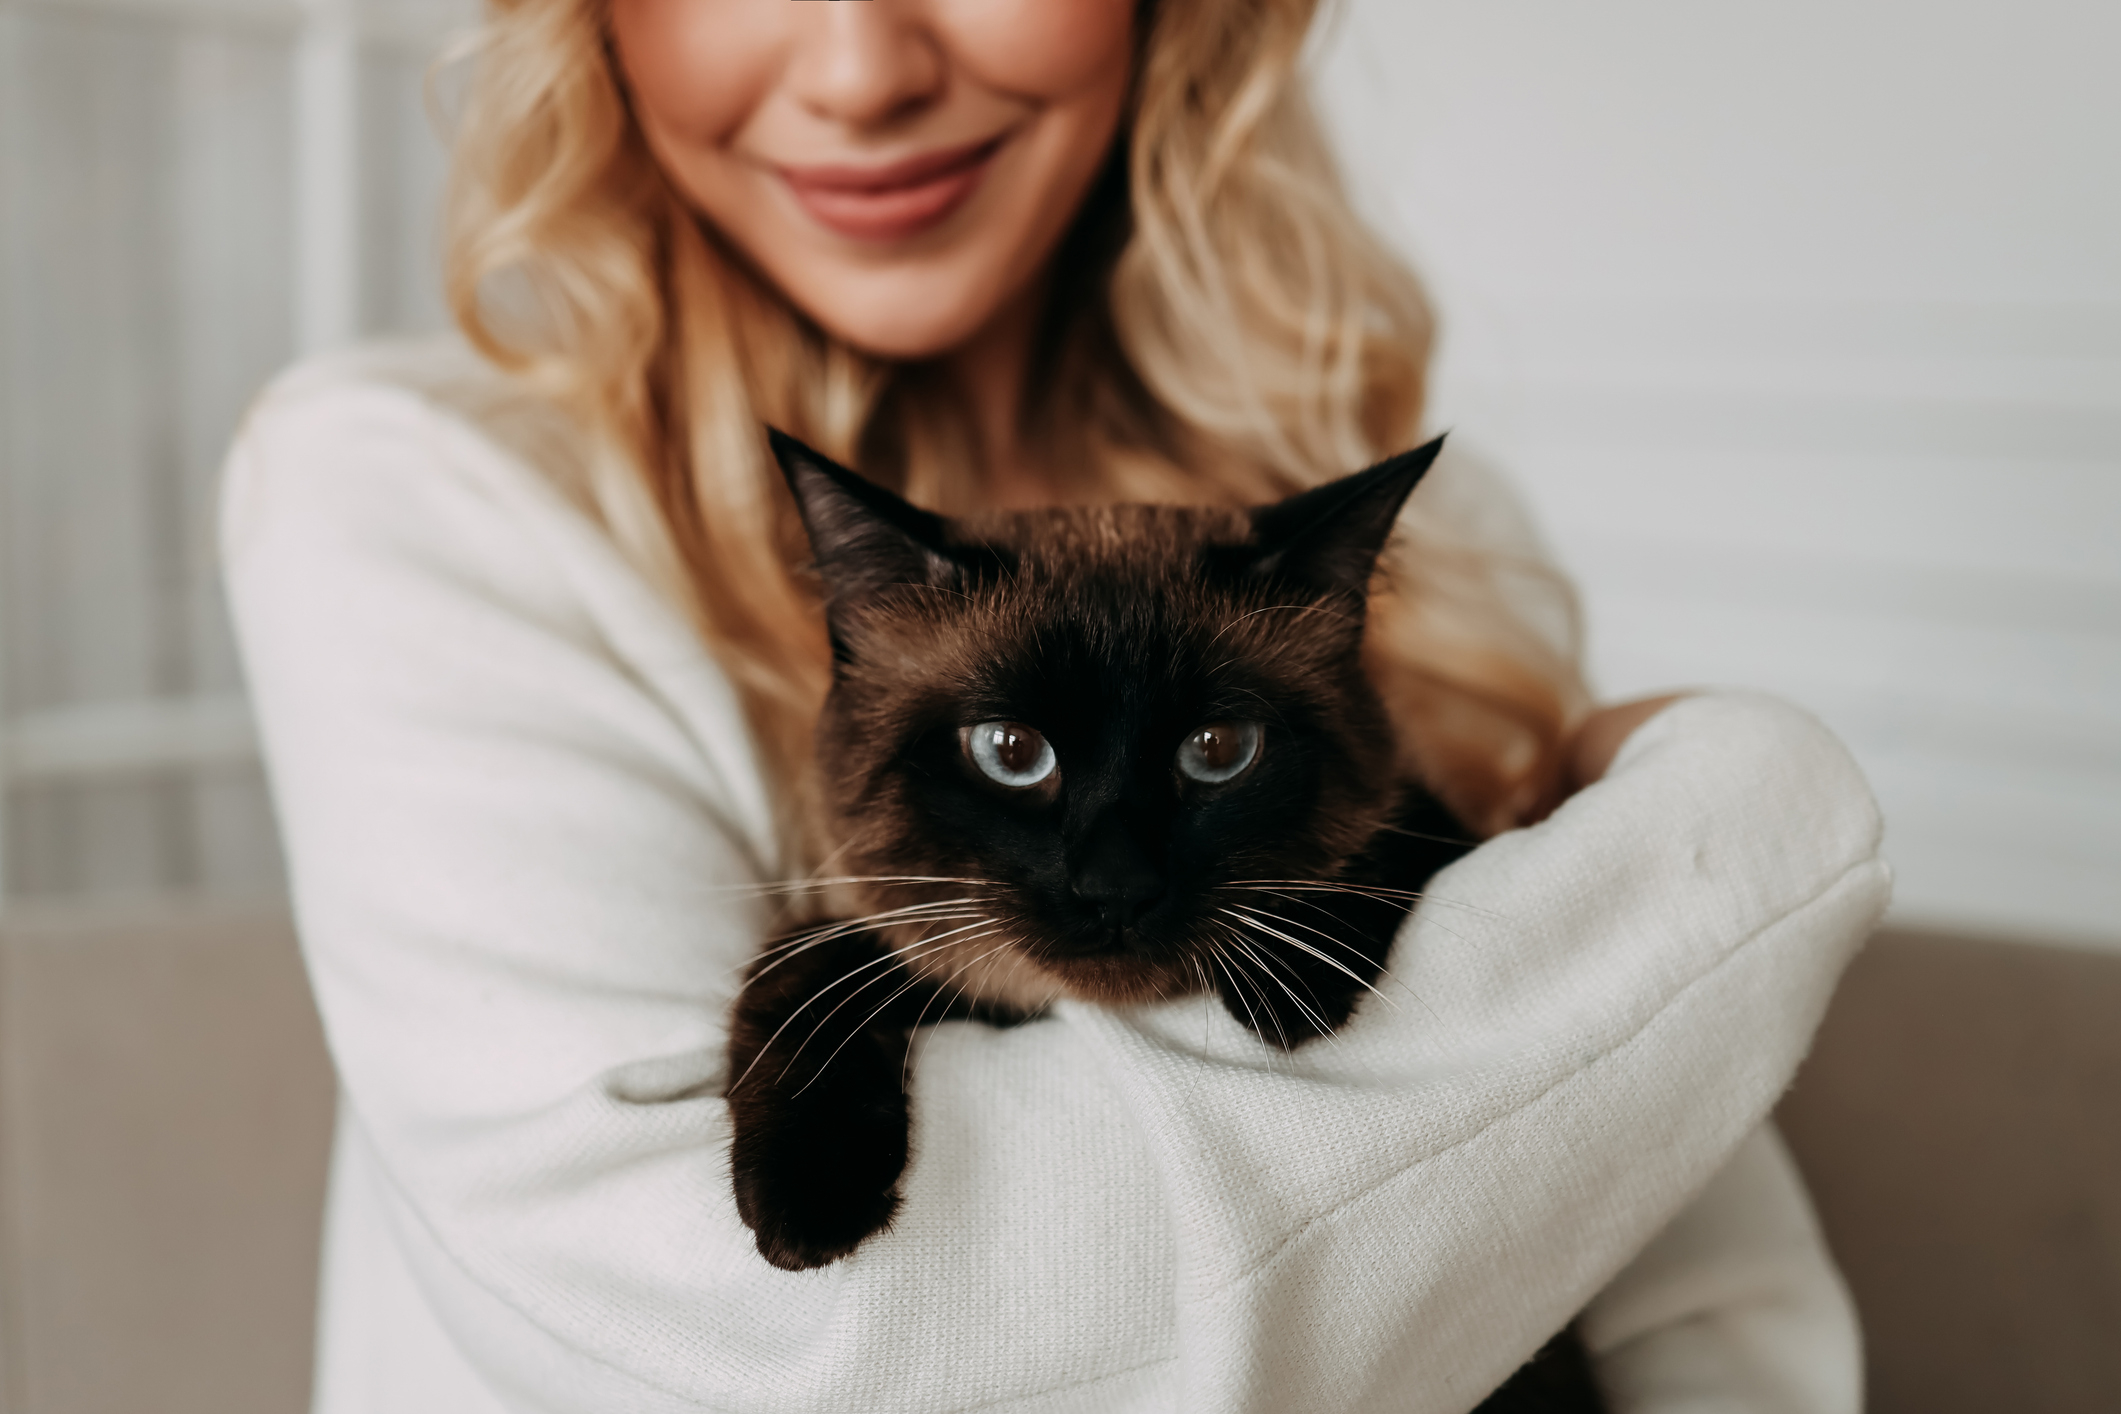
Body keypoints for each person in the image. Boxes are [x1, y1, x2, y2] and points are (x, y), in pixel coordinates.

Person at [222, 2, 1888, 1410]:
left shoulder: (1429, 555)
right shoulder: (410, 493)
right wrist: (1735, 823)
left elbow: (1698, 1301)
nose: (864, 67)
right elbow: (766, 1348)